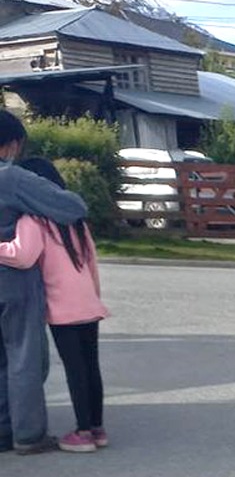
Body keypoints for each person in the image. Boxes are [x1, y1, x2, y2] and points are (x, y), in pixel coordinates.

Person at [0, 158, 109, 453]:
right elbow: (92, 265)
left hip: (62, 309)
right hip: (88, 305)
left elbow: (22, 255)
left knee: (73, 368)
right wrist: (94, 298)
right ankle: (98, 429)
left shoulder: (32, 221)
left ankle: (82, 432)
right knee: (90, 367)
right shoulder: (77, 223)